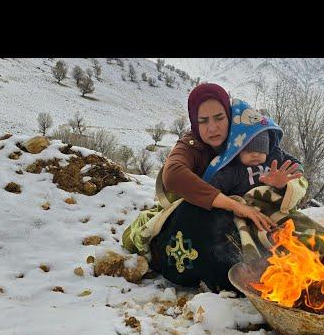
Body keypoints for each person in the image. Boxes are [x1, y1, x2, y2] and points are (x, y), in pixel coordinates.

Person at [122, 83, 308, 292]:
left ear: (230, 117)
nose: (212, 128)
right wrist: (234, 205)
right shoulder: (191, 144)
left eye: (219, 118)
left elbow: (290, 166)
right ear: (195, 122)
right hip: (208, 217)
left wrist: (282, 183)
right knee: (198, 215)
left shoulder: (246, 137)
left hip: (249, 219)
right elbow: (172, 174)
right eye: (203, 121)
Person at [207, 129, 303, 197]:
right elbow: (211, 190)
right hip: (242, 212)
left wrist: (295, 173)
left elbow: (295, 164)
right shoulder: (232, 171)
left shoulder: (274, 159)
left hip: (272, 207)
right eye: (249, 151)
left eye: (261, 151)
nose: (255, 155)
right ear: (237, 152)